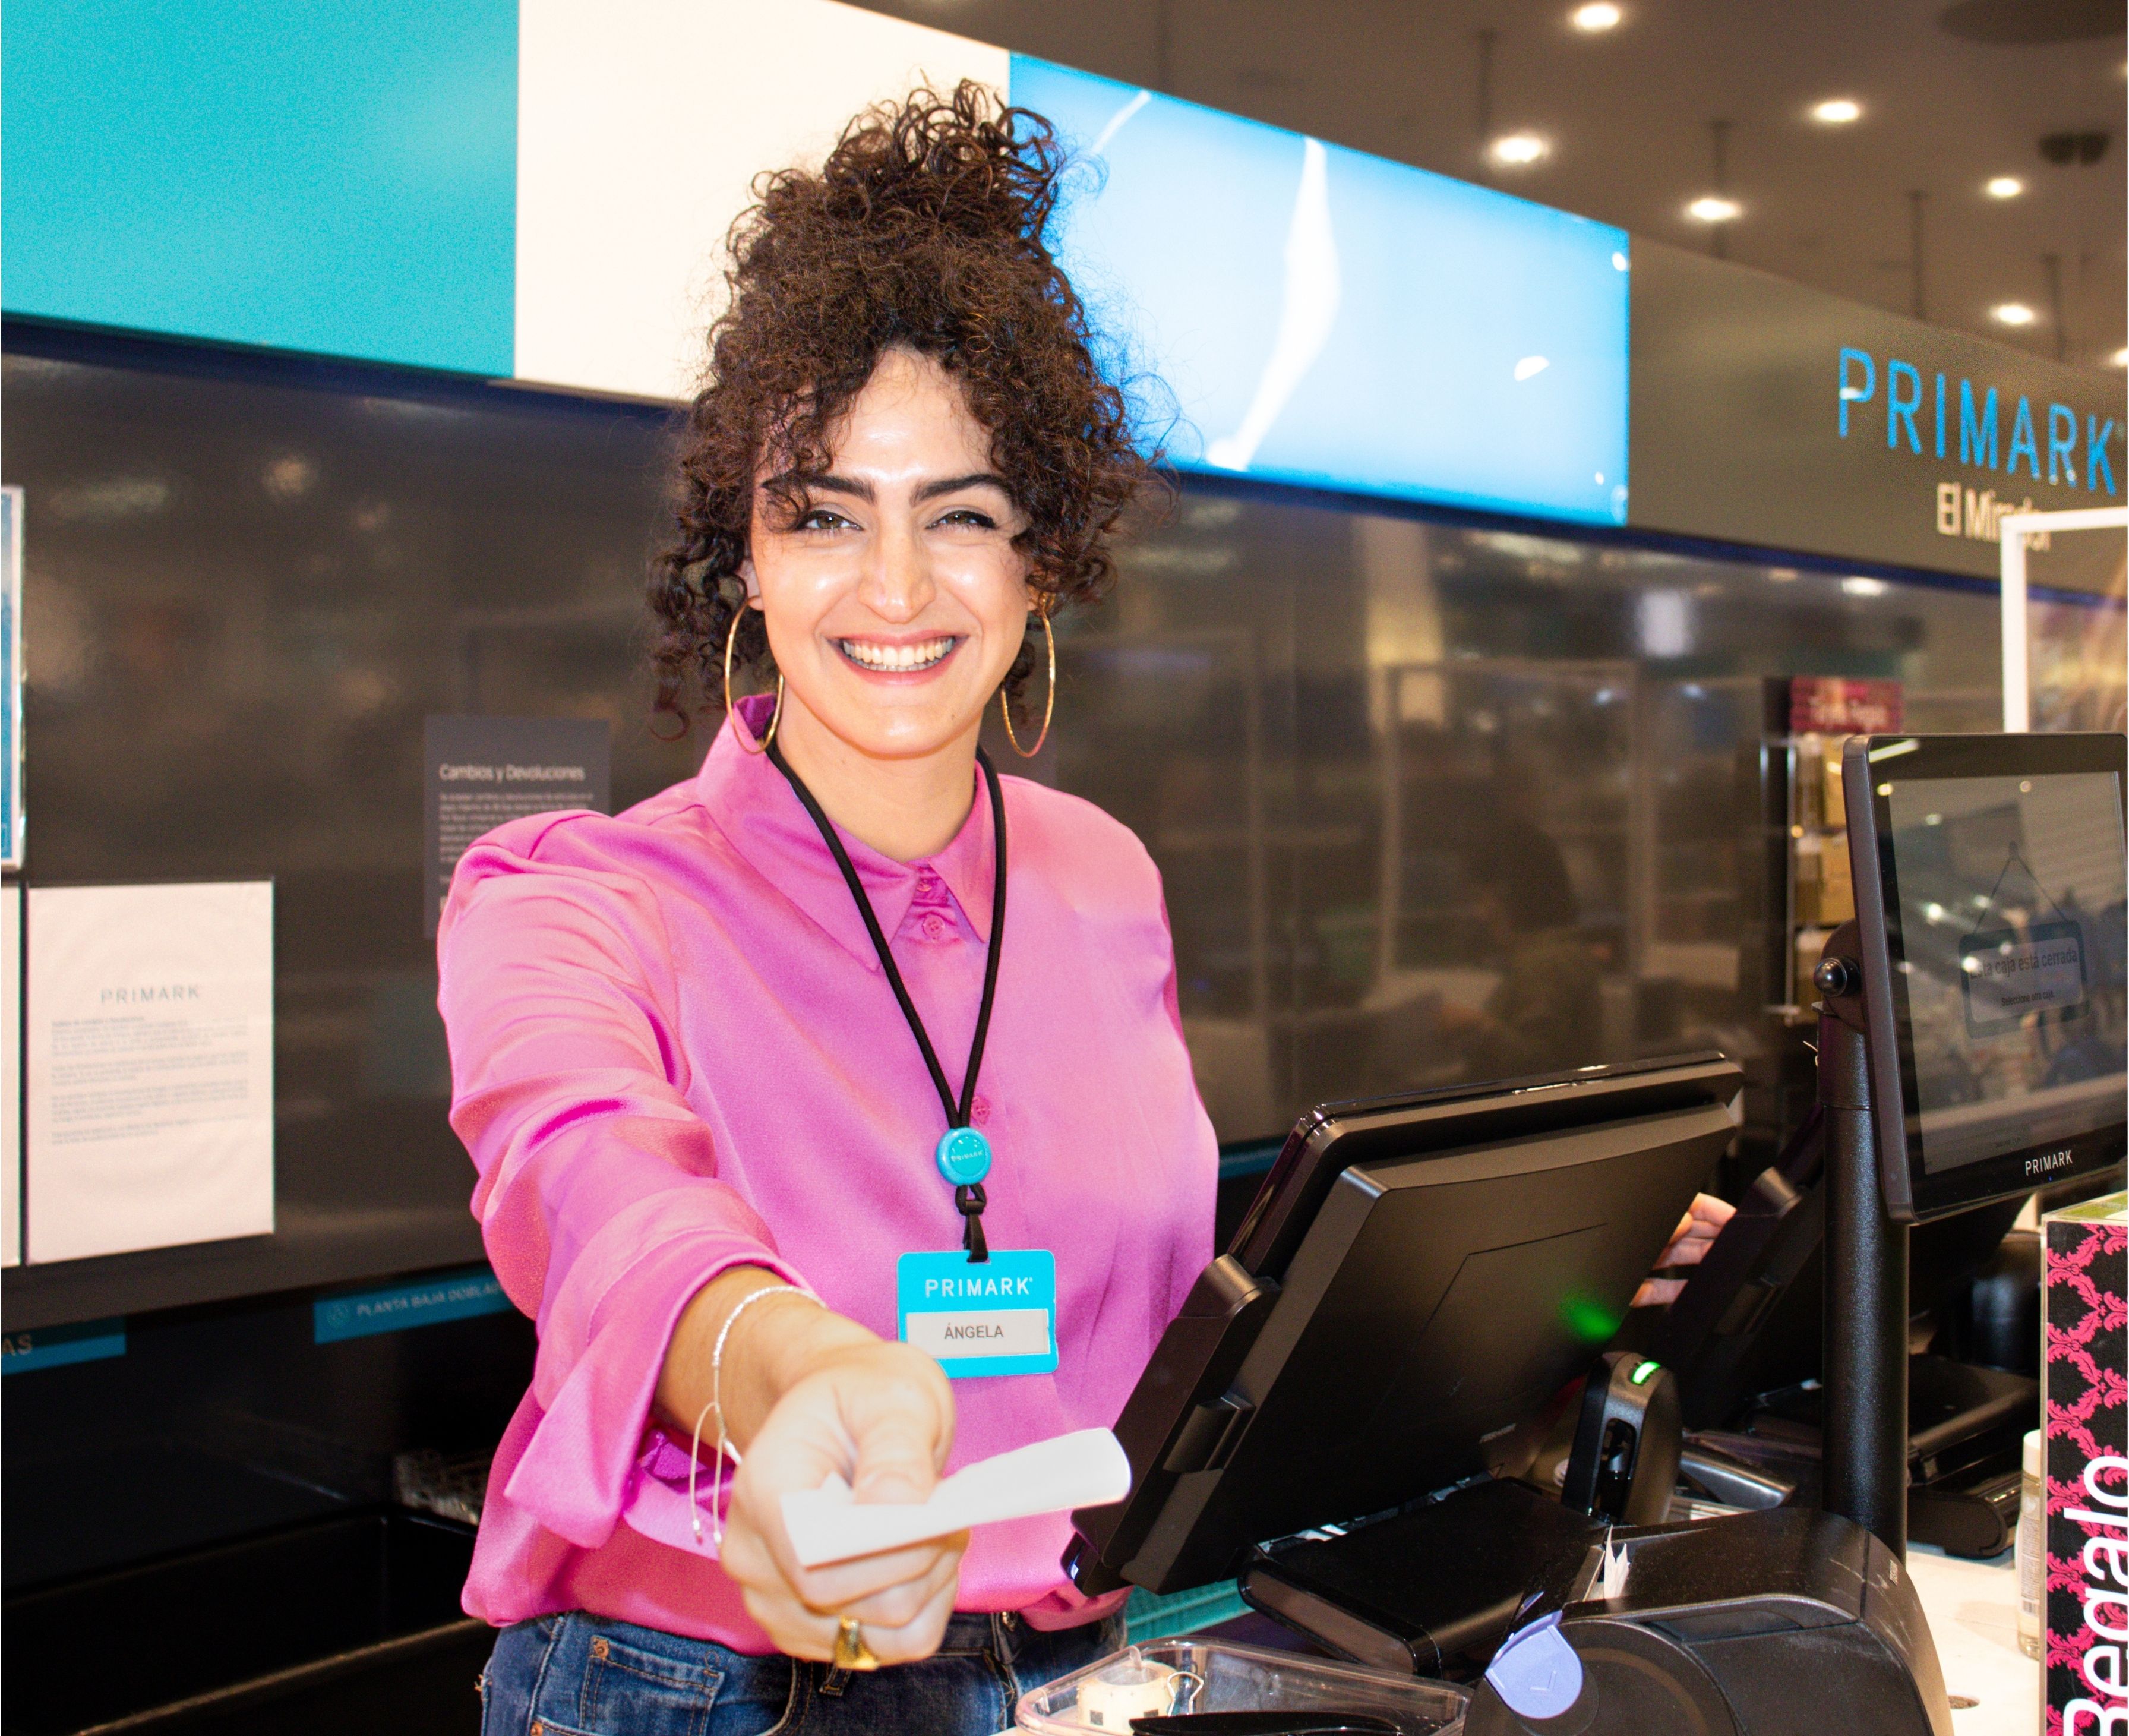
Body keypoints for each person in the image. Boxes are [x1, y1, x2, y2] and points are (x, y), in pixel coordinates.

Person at [441, 84, 1729, 1736]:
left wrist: (1521, 1276)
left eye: (961, 516)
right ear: (743, 557)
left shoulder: (1103, 872)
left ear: (1042, 559)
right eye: (822, 512)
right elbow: (592, 1182)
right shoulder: (577, 899)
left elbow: (1159, 1306)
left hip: (1097, 1665)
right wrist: (786, 1364)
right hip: (707, 1686)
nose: (894, 589)